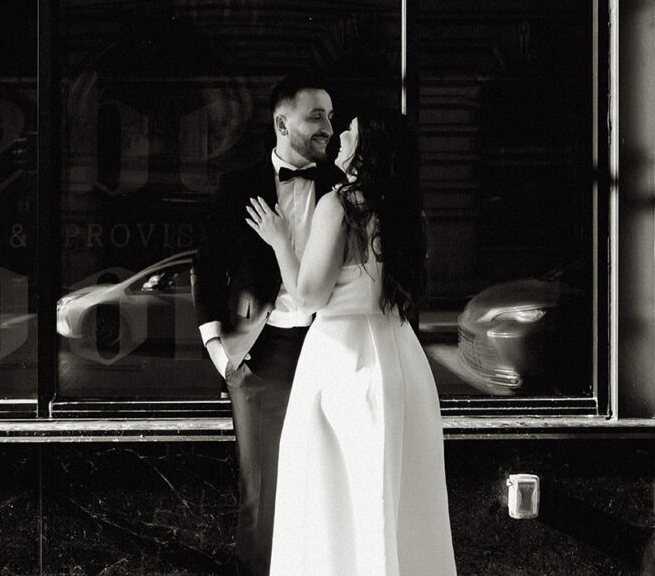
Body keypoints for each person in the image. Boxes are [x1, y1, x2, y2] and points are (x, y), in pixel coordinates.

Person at [245, 108, 457, 576]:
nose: (340, 134)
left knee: (331, 497)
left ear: (368, 148)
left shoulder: (339, 205)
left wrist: (280, 240)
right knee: (397, 499)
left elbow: (307, 295)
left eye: (352, 130)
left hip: (342, 363)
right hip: (400, 357)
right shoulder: (406, 211)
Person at [192, 71, 345, 576]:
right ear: (283, 122)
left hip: (333, 346)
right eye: (316, 115)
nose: (329, 125)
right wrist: (218, 348)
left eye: (330, 114)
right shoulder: (239, 185)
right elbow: (207, 268)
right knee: (263, 487)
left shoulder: (343, 186)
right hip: (263, 353)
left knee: (328, 479)